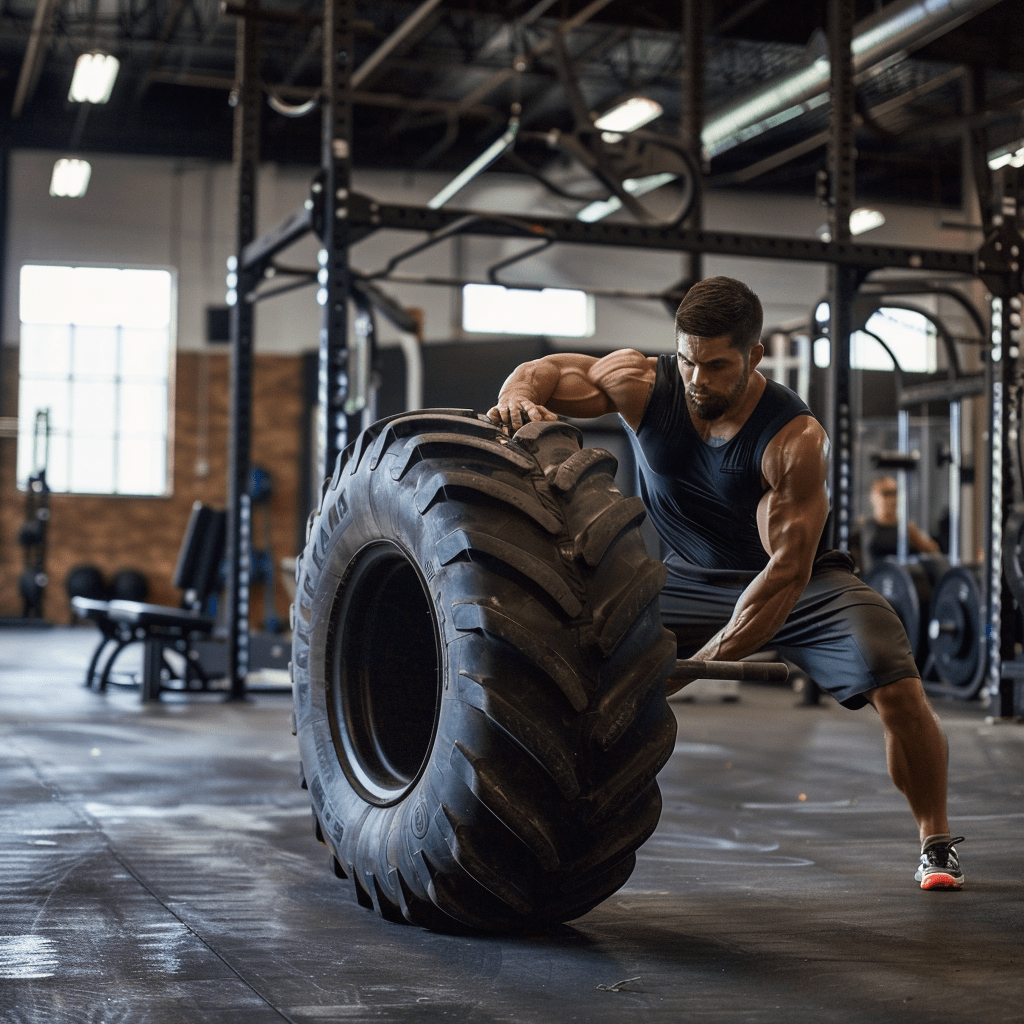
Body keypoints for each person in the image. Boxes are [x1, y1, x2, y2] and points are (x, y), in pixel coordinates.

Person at [487, 275, 964, 891]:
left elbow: (787, 572)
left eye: (715, 366)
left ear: (753, 357)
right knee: (561, 645)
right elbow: (544, 369)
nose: (696, 379)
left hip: (797, 585)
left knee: (893, 678)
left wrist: (698, 665)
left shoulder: (794, 438)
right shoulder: (640, 382)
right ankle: (528, 817)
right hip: (681, 578)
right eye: (687, 359)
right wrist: (516, 394)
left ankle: (936, 839)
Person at [856, 475, 940, 575]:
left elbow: (934, 550)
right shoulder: (864, 527)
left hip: (899, 583)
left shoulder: (906, 528)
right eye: (886, 494)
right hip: (872, 582)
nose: (891, 500)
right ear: (873, 496)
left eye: (894, 494)